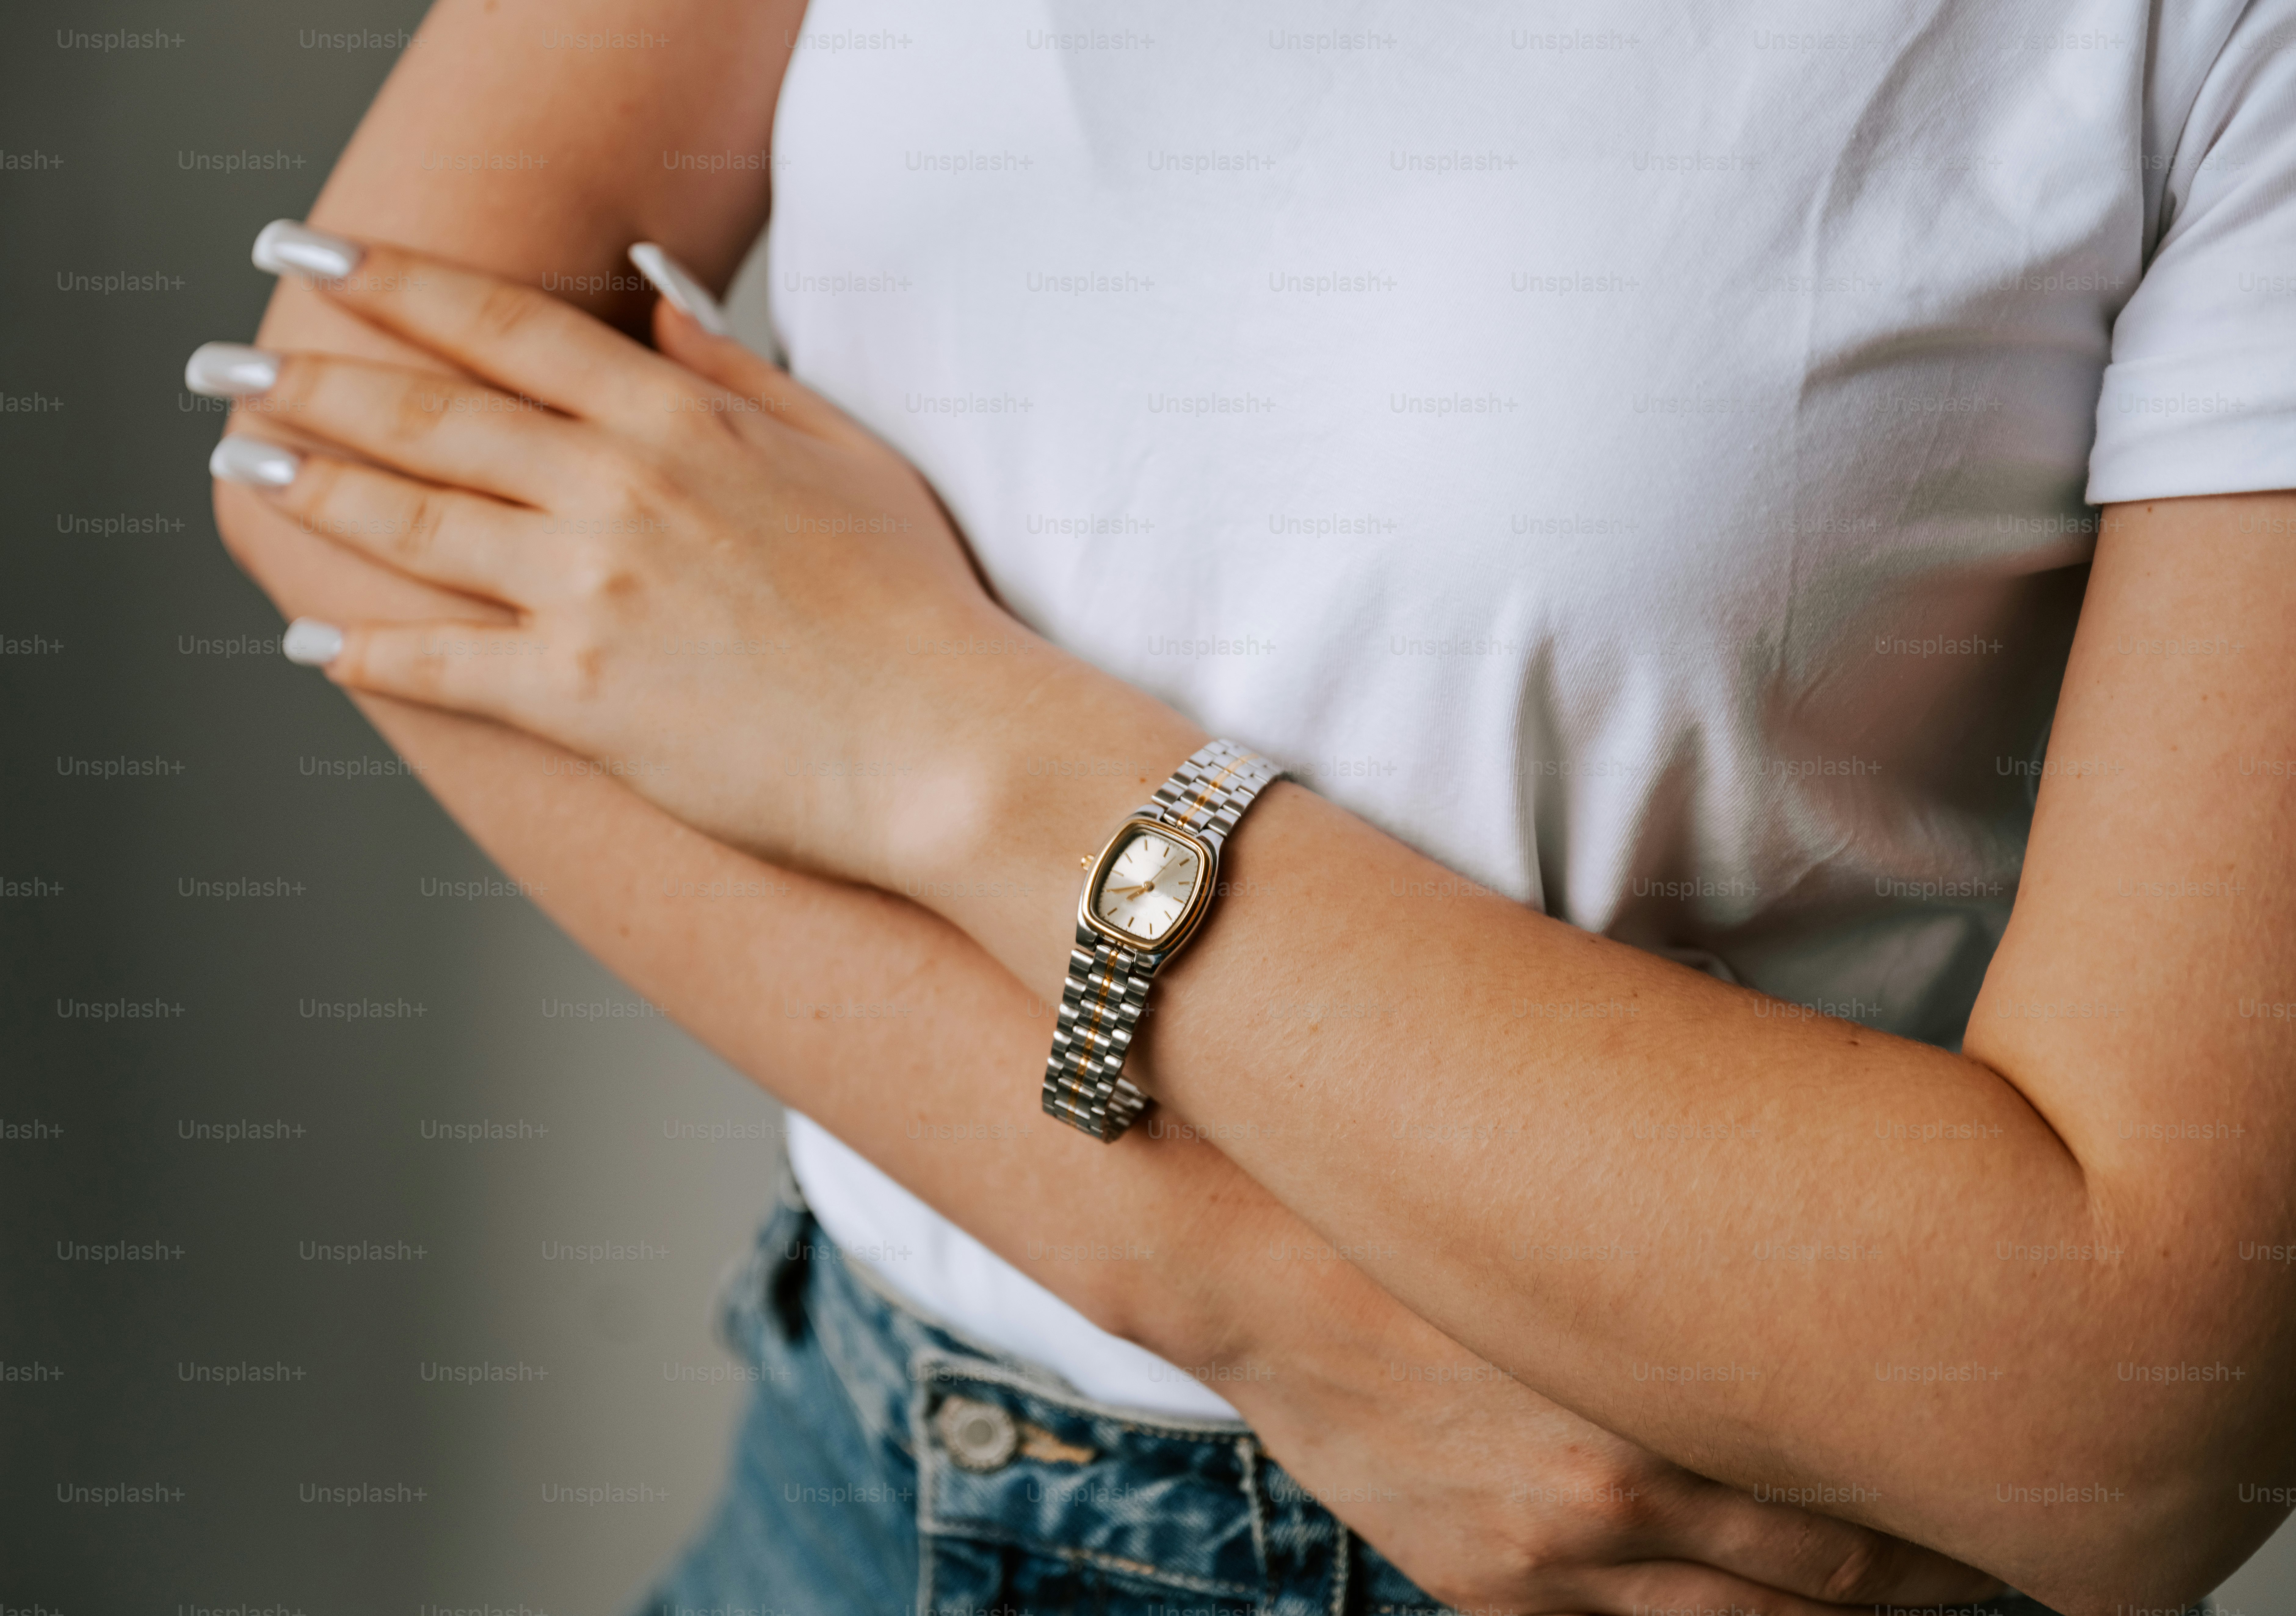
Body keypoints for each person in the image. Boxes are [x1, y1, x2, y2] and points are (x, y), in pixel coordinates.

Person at [198, 2, 2296, 1611]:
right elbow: (367, 464)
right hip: (854, 1486)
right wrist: (1271, 1312)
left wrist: (941, 736)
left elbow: (2132, 1406)